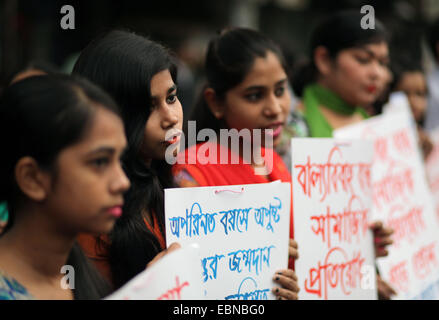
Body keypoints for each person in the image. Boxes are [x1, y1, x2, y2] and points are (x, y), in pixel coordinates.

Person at [173, 27, 300, 300]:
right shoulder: (190, 173)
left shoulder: (274, 161)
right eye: (255, 96)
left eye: (280, 90)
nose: (275, 108)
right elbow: (192, 279)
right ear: (216, 102)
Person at [290, 11, 395, 299]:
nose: (378, 73)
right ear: (324, 60)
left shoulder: (381, 129)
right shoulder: (289, 129)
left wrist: (367, 278)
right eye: (364, 59)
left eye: (383, 63)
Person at [0, 74, 130, 299]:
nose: (123, 182)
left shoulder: (78, 275)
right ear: (32, 178)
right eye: (100, 161)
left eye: (120, 160)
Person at [72, 30, 182, 289]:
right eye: (149, 107)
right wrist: (151, 289)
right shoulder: (88, 221)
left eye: (171, 98)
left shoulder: (178, 185)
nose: (171, 118)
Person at [389, 56, 433, 159]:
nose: (412, 102)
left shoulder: (428, 142)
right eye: (404, 94)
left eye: (420, 94)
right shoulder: (381, 139)